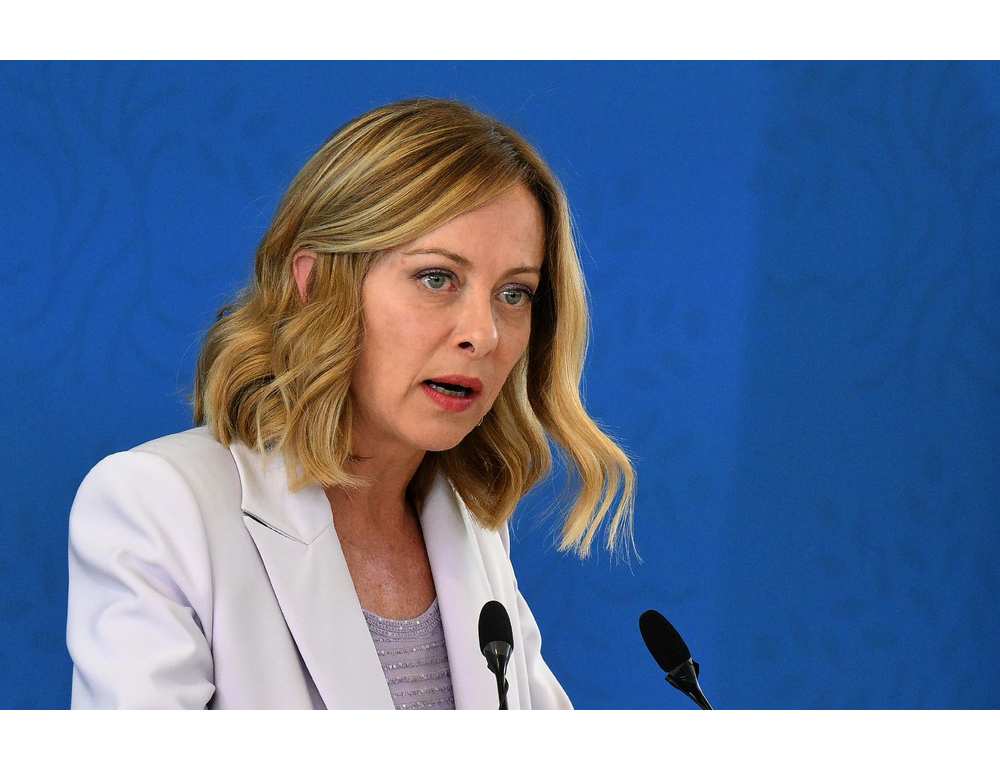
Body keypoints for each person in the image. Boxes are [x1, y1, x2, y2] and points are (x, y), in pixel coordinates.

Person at [66, 98, 635, 709]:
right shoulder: (157, 504)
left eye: (514, 293)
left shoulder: (473, 529)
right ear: (315, 283)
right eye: (437, 278)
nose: (484, 333)